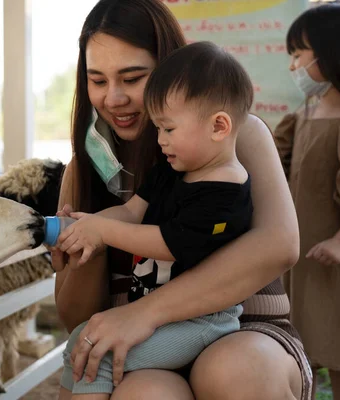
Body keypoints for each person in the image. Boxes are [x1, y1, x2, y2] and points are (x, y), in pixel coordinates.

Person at [53, 1, 311, 399]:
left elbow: (279, 246)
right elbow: (75, 316)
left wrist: (142, 313)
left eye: (133, 78)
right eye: (98, 81)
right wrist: (90, 245)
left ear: (171, 69)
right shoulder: (85, 169)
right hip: (142, 349)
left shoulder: (236, 136)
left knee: (237, 372)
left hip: (241, 329)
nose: (114, 97)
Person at [54, 41, 253, 398]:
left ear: (219, 126)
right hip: (162, 319)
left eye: (168, 129)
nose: (159, 140)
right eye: (158, 128)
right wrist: (84, 226)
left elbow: (168, 243)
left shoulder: (225, 191)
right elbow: (131, 213)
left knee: (92, 355)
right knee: (82, 340)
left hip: (201, 321)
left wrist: (103, 230)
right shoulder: (172, 169)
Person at [273, 4, 340, 399]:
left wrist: (339, 241)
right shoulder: (303, 115)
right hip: (303, 262)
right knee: (302, 353)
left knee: (339, 351)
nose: (293, 67)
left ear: (330, 52)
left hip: (336, 264)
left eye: (298, 55)